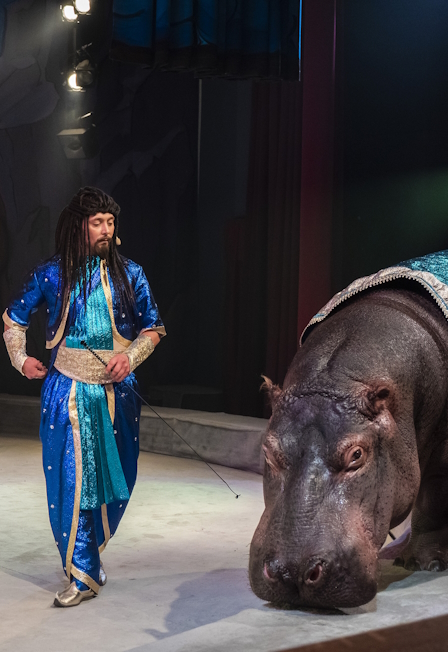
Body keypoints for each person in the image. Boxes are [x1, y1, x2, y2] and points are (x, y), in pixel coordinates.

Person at [3, 187, 166, 607]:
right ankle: (81, 574)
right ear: (79, 227)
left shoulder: (132, 274)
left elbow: (153, 329)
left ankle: (90, 554)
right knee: (74, 482)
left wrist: (130, 358)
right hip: (67, 393)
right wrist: (22, 360)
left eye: (110, 223)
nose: (106, 230)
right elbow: (13, 320)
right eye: (98, 223)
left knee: (116, 483)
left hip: (117, 395)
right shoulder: (50, 274)